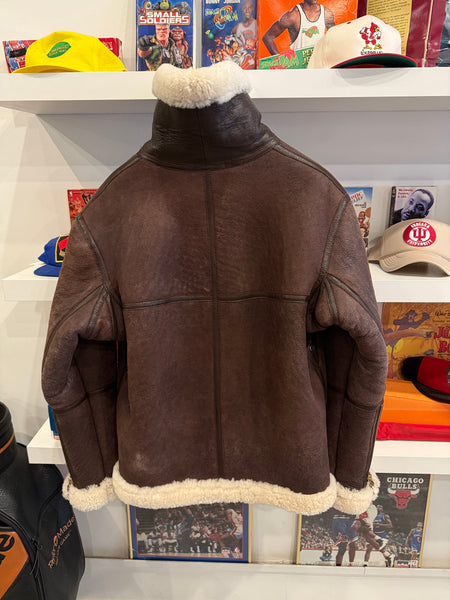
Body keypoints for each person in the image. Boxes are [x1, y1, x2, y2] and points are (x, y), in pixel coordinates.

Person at [262, 0, 335, 56]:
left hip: (319, 66)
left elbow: (334, 38)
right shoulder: (293, 15)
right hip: (299, 69)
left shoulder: (327, 13)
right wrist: (281, 61)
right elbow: (267, 37)